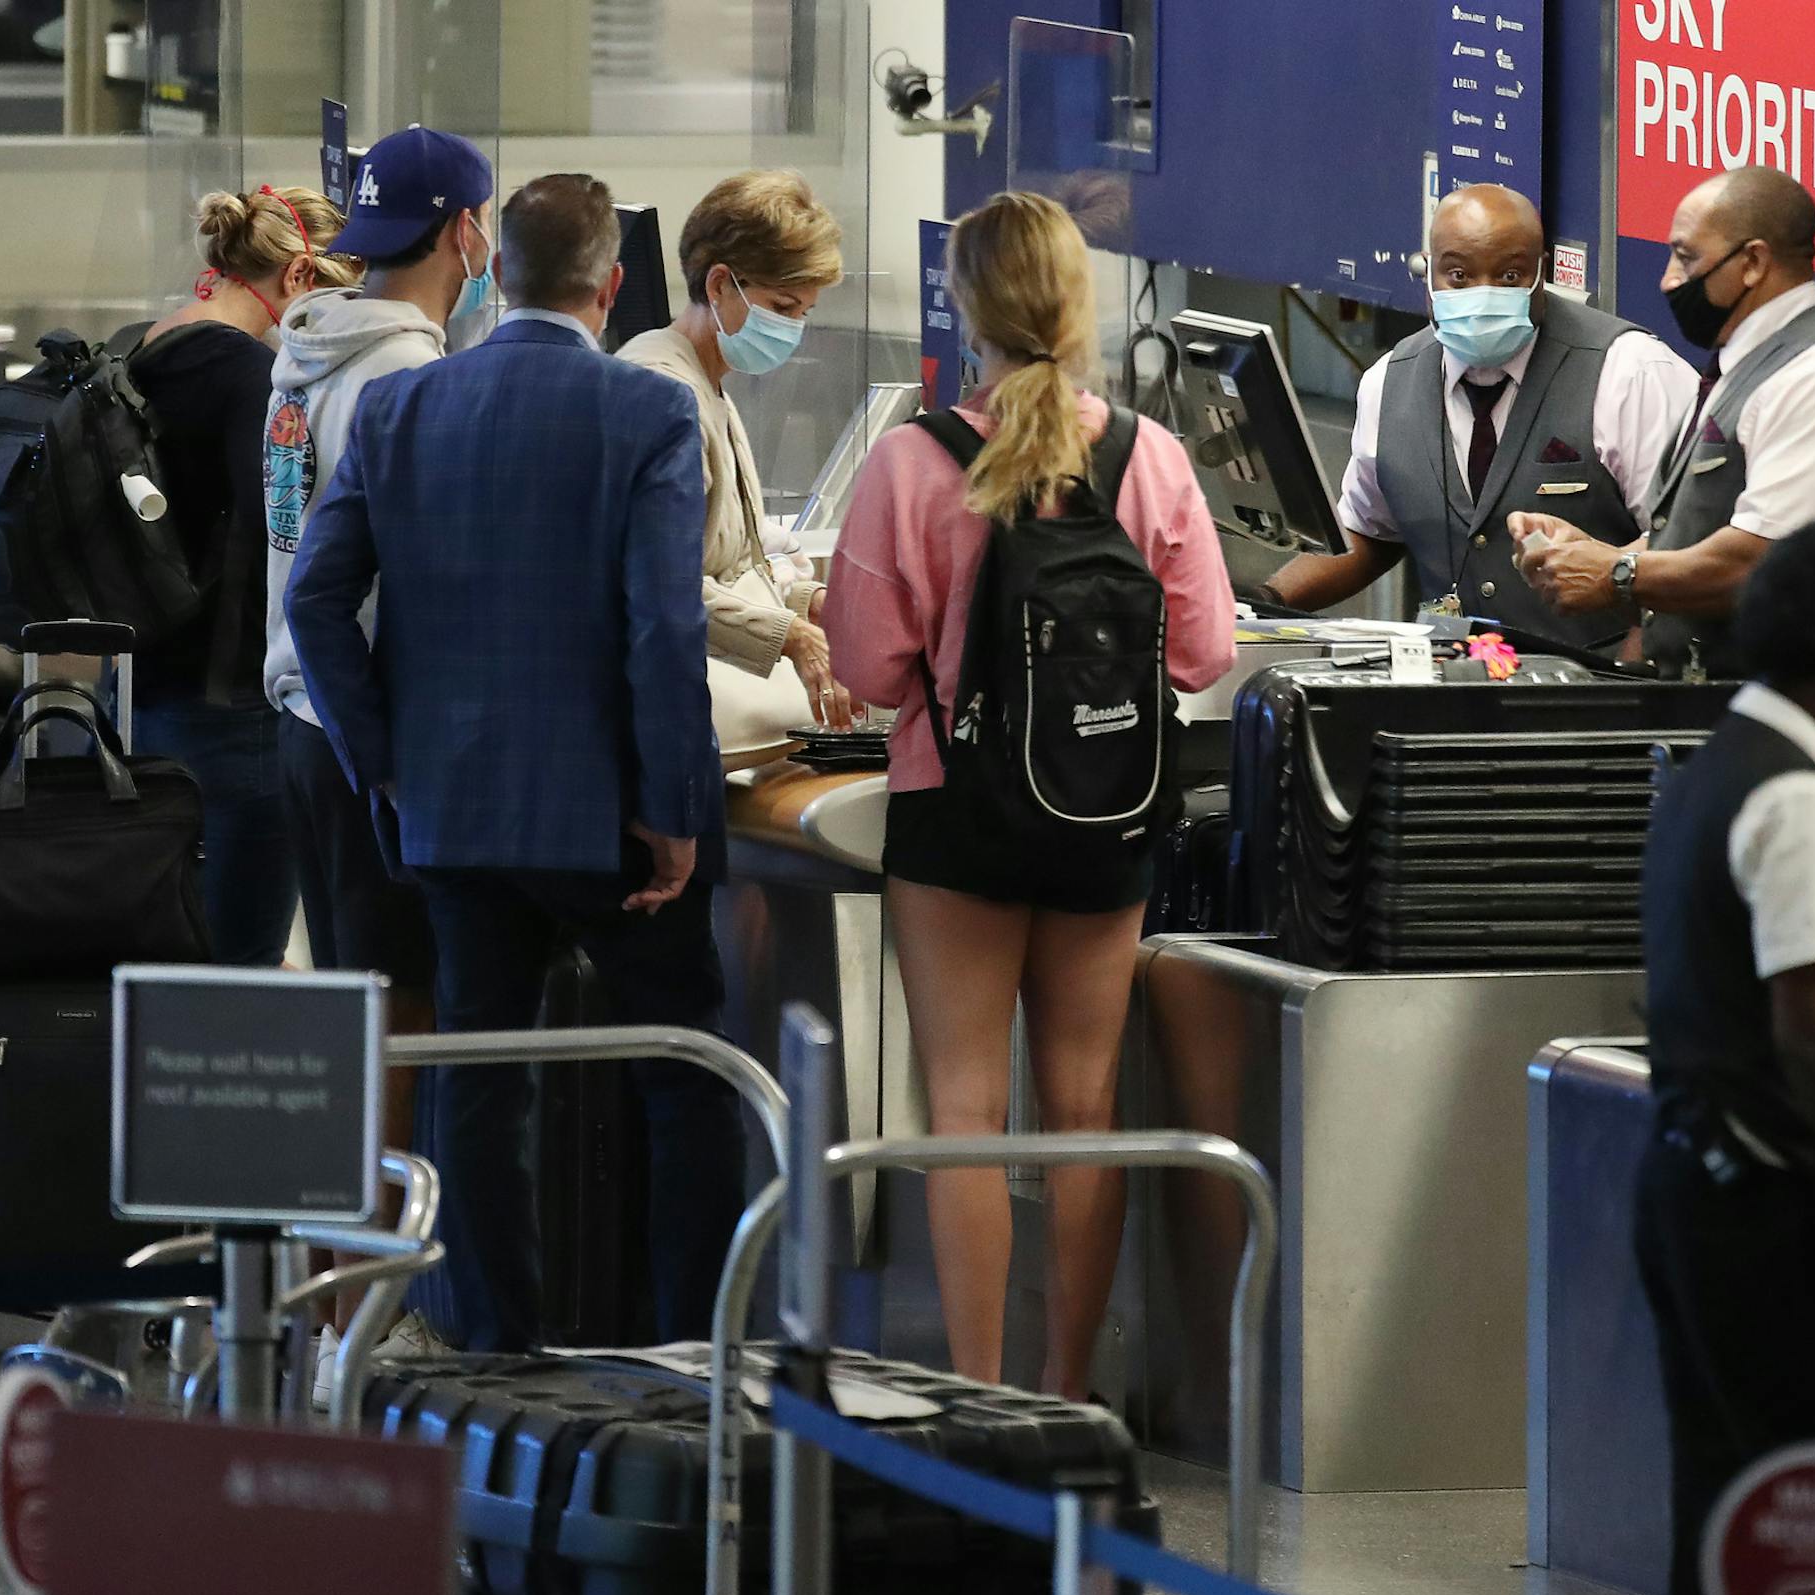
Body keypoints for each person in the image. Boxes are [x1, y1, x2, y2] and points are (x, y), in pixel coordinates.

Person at [285, 173, 739, 1354]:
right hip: (611, 826)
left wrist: (384, 763)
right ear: (613, 283)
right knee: (684, 1076)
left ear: (500, 270)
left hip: (458, 817)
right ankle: (696, 1352)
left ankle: (493, 1349)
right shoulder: (647, 416)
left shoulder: (406, 411)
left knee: (479, 1083)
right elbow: (661, 630)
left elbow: (316, 601)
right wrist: (674, 807)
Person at [824, 191, 1237, 1398]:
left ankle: (980, 1393)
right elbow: (1206, 653)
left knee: (964, 1105)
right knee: (1082, 1102)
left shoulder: (915, 461)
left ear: (966, 308)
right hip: (1104, 817)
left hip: (956, 811)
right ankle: (1066, 1393)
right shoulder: (1148, 457)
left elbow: (863, 665)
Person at [1635, 517, 1815, 1595]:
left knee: (1727, 1505)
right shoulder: (1801, 801)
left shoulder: (1707, 773)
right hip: (1782, 1212)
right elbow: (1811, 1030)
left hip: (1694, 1189)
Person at [261, 127, 493, 1389]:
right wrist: (395, 757)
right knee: (396, 1027)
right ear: (465, 231)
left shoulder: (308, 352)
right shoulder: (405, 380)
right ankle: (357, 1321)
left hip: (304, 720)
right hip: (364, 734)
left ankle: (323, 1304)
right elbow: (384, 583)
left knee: (358, 1018)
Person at [1513, 167, 1815, 680]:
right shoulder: (1735, 369)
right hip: (1710, 713)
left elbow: (1764, 563)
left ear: (1752, 261)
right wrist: (1590, 555)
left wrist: (1615, 573)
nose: (1667, 279)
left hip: (1812, 726)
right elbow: (1691, 537)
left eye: (1686, 257)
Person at [1263, 185, 1695, 648]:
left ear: (1540, 274)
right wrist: (1260, 604)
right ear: (1428, 275)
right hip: (1453, 688)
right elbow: (1370, 533)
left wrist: (1631, 675)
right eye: (1459, 275)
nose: (1483, 293)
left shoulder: (1630, 373)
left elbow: (1690, 548)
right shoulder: (1389, 383)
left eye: (1509, 275)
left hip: (1602, 688)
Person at [129, 184, 357, 965]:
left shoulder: (155, 341)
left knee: (173, 949)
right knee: (241, 966)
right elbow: (282, 535)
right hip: (230, 713)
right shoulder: (253, 379)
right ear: (298, 280)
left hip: (147, 688)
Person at [617, 170, 854, 740]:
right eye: (782, 305)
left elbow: (728, 561)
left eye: (805, 313)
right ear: (720, 284)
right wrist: (792, 637)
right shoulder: (664, 393)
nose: (793, 328)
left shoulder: (708, 383)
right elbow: (656, 579)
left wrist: (808, 599)